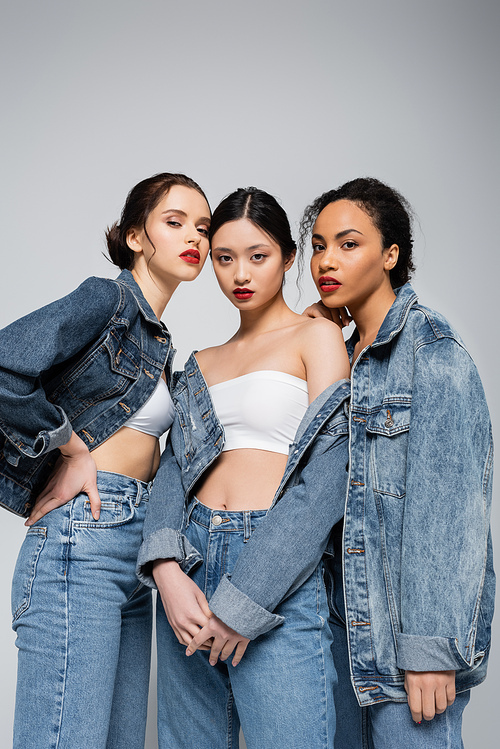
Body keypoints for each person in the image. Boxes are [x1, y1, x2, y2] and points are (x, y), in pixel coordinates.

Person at [0, 172, 211, 749]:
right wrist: (69, 447)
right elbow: (4, 366)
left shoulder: (160, 342)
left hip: (137, 548)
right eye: (174, 223)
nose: (193, 237)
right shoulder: (108, 299)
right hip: (84, 540)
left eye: (202, 227)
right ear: (137, 236)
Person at [137, 187, 351, 748]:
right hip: (192, 565)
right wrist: (165, 569)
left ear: (285, 255)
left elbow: (327, 482)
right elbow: (173, 472)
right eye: (223, 258)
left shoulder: (318, 337)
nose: (240, 274)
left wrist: (244, 599)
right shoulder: (201, 361)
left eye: (258, 256)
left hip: (276, 566)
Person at [300, 177, 494, 748]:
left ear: (391, 255)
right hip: (338, 643)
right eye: (317, 245)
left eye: (347, 243)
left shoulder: (431, 350)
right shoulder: (336, 354)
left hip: (404, 651)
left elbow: (451, 511)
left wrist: (430, 647)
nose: (325, 260)